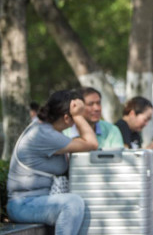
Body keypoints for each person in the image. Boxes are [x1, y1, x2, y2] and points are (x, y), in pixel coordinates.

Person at [7, 90, 99, 234]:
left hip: (35, 202)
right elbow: (92, 144)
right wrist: (79, 115)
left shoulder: (48, 130)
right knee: (72, 204)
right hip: (23, 205)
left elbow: (85, 144)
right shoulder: (44, 134)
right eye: (75, 117)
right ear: (67, 117)